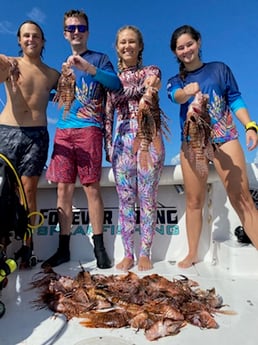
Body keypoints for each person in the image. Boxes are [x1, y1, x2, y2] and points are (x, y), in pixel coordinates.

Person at [167, 24, 258, 268]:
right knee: (194, 201)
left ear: (198, 42)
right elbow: (174, 96)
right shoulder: (175, 80)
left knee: (242, 198)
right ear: (175, 53)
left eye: (189, 44)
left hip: (224, 136)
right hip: (192, 143)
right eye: (180, 48)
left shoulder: (219, 69)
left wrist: (250, 125)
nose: (186, 50)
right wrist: (185, 93)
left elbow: (235, 98)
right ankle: (192, 252)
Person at [41, 9, 122, 269]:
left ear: (87, 31)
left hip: (90, 130)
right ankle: (62, 248)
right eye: (71, 28)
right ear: (65, 33)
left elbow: (116, 84)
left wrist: (89, 68)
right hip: (63, 132)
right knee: (63, 189)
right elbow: (49, 94)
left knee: (91, 188)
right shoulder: (60, 67)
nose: (76, 32)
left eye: (81, 27)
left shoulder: (101, 58)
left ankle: (100, 248)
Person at [105, 25, 165, 271]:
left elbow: (155, 75)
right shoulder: (111, 81)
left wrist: (151, 84)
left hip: (149, 138)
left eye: (132, 42)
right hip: (122, 142)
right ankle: (128, 253)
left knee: (148, 198)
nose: (127, 46)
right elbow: (108, 115)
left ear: (140, 46)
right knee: (126, 200)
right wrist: (108, 146)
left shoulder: (148, 71)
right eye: (122, 42)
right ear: (117, 48)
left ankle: (145, 253)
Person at [0, 20, 60, 266]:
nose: (30, 39)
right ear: (19, 40)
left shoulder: (52, 74)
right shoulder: (11, 65)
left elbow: (78, 92)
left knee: (29, 191)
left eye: (35, 35)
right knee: (2, 190)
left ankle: (28, 246)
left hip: (37, 135)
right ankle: (2, 245)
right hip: (7, 132)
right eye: (25, 36)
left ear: (43, 41)